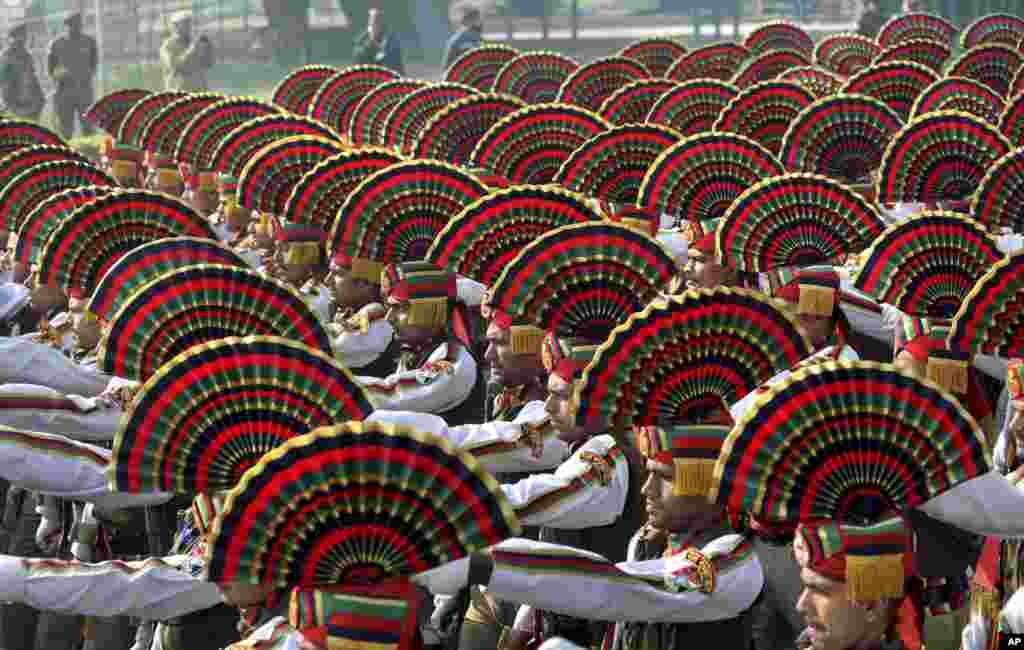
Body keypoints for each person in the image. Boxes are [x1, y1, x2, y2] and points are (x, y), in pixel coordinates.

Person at [47, 12, 97, 140]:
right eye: (72, 25)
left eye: (78, 25)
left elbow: (93, 63)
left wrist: (84, 78)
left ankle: (90, 155)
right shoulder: (56, 44)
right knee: (65, 130)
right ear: (66, 26)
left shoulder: (89, 42)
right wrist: (60, 77)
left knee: (88, 128)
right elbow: (51, 69)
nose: (76, 28)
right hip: (64, 92)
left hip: (84, 91)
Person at [0, 24, 45, 121]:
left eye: (24, 36)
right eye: (21, 36)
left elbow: (33, 77)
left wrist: (40, 98)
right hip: (16, 105)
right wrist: (10, 105)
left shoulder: (26, 55)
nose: (24, 39)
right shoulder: (7, 56)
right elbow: (4, 82)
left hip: (30, 104)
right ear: (13, 38)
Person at [160, 11, 214, 92]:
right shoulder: (168, 46)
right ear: (175, 26)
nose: (189, 26)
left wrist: (208, 48)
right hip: (179, 94)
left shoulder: (194, 42)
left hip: (199, 92)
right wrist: (192, 50)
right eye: (185, 23)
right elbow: (175, 66)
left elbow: (207, 64)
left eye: (189, 23)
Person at [353, 8, 404, 75]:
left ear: (382, 25)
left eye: (376, 23)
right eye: (371, 24)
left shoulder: (390, 39)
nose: (372, 27)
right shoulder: (362, 40)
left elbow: (393, 61)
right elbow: (358, 56)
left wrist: (381, 52)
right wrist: (369, 45)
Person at [443, 4, 483, 72]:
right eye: (475, 18)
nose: (479, 21)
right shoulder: (458, 39)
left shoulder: (456, 40)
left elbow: (447, 66)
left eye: (477, 18)